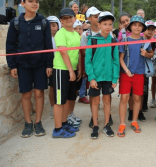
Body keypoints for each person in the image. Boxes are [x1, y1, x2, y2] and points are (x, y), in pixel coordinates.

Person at [6, 0, 53, 138]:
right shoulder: (16, 23)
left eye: (36, 1)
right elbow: (10, 45)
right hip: (22, 65)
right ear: (22, 4)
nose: (34, 4)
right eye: (30, 1)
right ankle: (28, 123)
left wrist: (49, 64)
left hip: (40, 64)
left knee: (39, 93)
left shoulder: (43, 22)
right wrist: (12, 65)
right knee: (26, 94)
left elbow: (48, 45)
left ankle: (38, 122)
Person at [118, 15, 154, 137]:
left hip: (139, 73)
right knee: (124, 98)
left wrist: (146, 54)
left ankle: (134, 121)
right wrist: (126, 70)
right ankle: (122, 123)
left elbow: (151, 55)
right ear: (130, 27)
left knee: (138, 98)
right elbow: (121, 59)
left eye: (139, 26)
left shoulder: (145, 41)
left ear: (142, 28)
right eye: (135, 25)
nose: (137, 27)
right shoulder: (125, 41)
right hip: (126, 74)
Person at [85, 12, 119, 139]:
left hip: (108, 77)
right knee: (95, 101)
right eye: (105, 24)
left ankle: (106, 125)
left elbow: (116, 61)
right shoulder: (93, 40)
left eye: (110, 24)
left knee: (107, 101)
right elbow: (88, 61)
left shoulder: (114, 41)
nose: (108, 27)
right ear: (99, 25)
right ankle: (95, 125)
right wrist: (91, 78)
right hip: (96, 77)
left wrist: (115, 78)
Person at [52, 8, 81, 138]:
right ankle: (57, 129)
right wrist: (71, 71)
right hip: (61, 70)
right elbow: (63, 52)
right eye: (64, 18)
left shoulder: (76, 34)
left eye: (70, 17)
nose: (68, 20)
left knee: (67, 99)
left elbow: (78, 52)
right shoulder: (60, 33)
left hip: (72, 70)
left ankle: (64, 123)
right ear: (61, 21)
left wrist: (78, 69)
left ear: (74, 18)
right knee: (59, 101)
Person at [47, 16, 61, 117]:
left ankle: (59, 106)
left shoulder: (60, 36)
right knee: (52, 87)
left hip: (59, 65)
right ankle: (53, 108)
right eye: (49, 25)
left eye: (54, 25)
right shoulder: (45, 38)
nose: (52, 28)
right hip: (50, 65)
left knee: (59, 88)